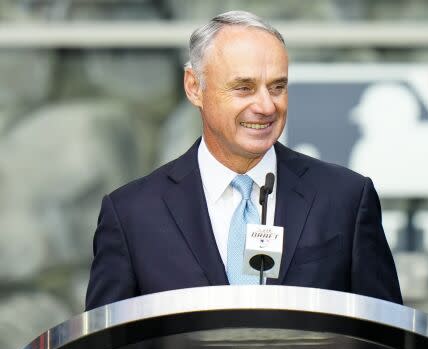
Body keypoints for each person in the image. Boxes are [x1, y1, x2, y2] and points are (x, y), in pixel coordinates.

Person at [85, 11, 402, 311]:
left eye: (277, 87)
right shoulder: (132, 214)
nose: (266, 106)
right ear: (195, 87)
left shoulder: (344, 198)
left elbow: (386, 344)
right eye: (244, 88)